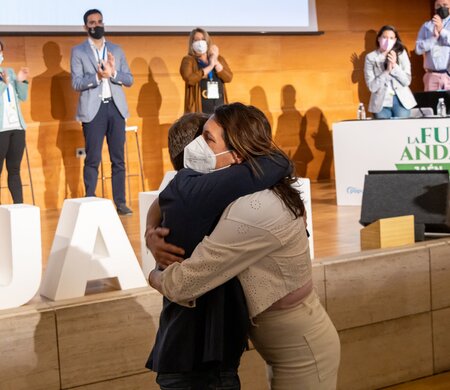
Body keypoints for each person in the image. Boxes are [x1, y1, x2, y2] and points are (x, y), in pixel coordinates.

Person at [147, 103, 340, 390]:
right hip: (282, 347)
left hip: (303, 350)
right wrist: (151, 231)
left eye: (208, 139)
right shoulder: (240, 187)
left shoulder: (255, 208)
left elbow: (184, 283)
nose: (197, 147)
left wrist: (152, 275)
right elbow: (169, 197)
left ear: (237, 155)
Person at [71, 9, 134, 215]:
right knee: (93, 158)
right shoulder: (78, 52)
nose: (96, 25)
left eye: (99, 21)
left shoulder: (116, 49)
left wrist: (113, 73)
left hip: (115, 108)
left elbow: (129, 79)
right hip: (93, 110)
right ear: (85, 27)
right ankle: (90, 197)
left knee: (118, 159)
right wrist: (97, 77)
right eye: (92, 22)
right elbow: (76, 83)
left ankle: (121, 203)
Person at [364, 25, 417, 119]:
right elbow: (372, 87)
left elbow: (407, 81)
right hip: (381, 103)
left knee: (402, 131)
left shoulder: (401, 54)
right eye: (385, 37)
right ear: (379, 38)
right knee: (384, 132)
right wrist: (387, 71)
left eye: (391, 38)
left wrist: (394, 65)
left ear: (395, 40)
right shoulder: (371, 57)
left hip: (401, 101)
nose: (388, 41)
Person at [0, 40, 30, 204]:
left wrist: (20, 81)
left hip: (17, 127)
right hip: (1, 129)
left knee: (14, 169)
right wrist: (4, 84)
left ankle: (19, 208)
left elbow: (22, 97)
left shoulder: (8, 71)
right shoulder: (5, 77)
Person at [180, 27, 233, 114]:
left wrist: (215, 61)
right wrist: (210, 66)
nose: (200, 42)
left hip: (219, 102)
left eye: (203, 39)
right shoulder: (188, 60)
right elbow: (190, 79)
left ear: (207, 41)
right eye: (196, 40)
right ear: (191, 43)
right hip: (201, 105)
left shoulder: (218, 58)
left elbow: (229, 78)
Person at [416, 0, 450, 91]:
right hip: (431, 75)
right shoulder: (426, 26)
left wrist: (441, 30)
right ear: (435, 8)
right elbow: (418, 49)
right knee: (431, 103)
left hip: (448, 75)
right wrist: (433, 39)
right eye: (438, 5)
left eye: (445, 5)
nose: (441, 7)